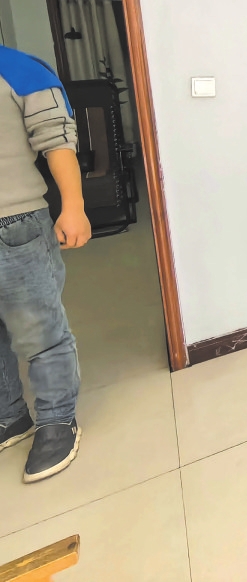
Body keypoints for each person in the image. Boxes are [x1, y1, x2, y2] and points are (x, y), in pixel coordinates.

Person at [0, 45, 89, 483]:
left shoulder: (18, 69)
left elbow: (56, 140)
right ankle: (9, 416)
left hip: (13, 224)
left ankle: (56, 420)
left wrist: (73, 207)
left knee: (39, 331)